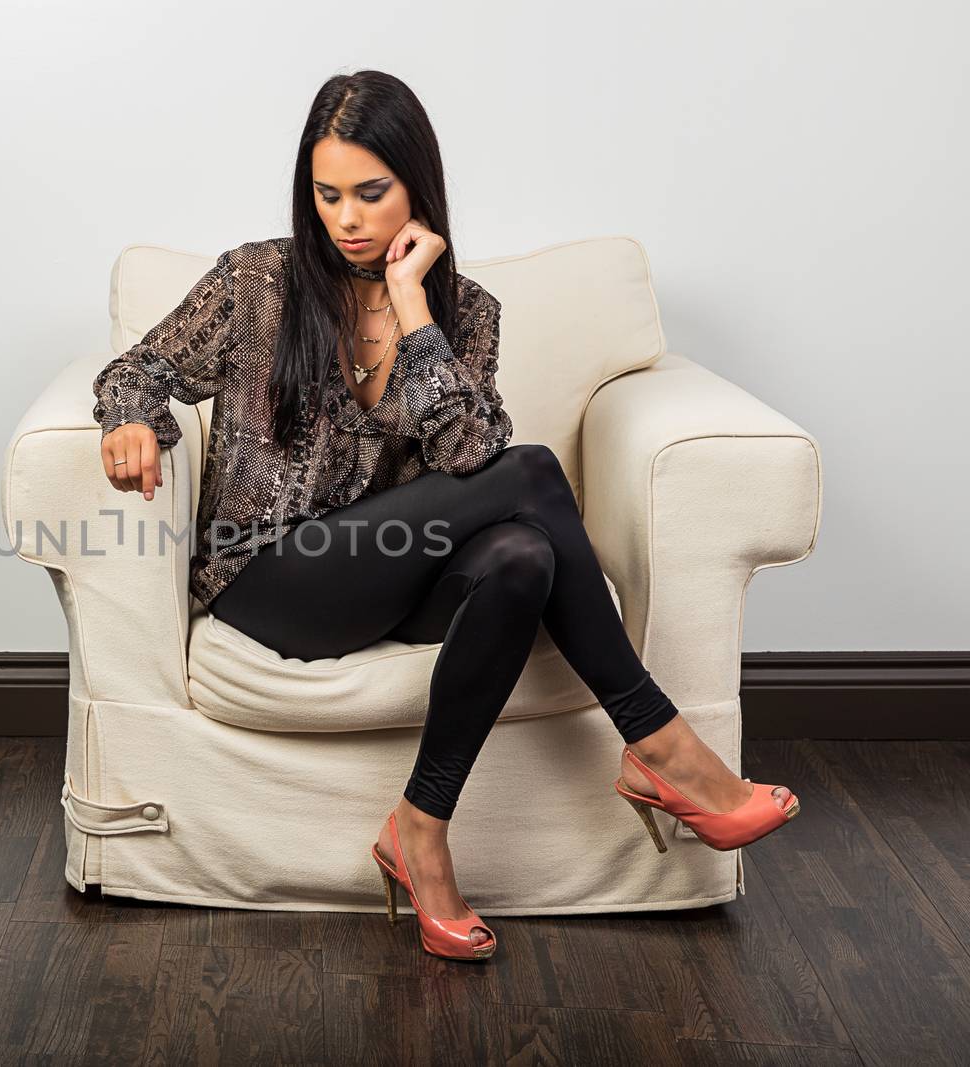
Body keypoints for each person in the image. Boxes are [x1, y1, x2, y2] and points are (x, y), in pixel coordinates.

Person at [89, 70, 799, 962]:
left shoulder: (463, 313)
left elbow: (470, 455)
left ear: (418, 189)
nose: (347, 218)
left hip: (392, 569)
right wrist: (131, 422)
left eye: (371, 194)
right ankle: (663, 747)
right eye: (328, 193)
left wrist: (416, 307)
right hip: (268, 575)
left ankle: (419, 828)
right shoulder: (255, 282)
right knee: (535, 473)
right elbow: (136, 372)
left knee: (522, 558)